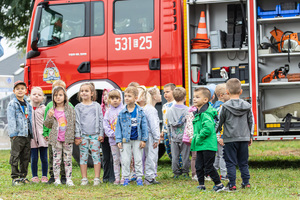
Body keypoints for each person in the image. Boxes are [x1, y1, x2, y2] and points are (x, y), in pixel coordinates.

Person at [216, 78, 253, 191]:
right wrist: (250, 135)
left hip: (229, 139)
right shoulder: (247, 106)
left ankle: (232, 184)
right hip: (243, 138)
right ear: (241, 91)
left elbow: (220, 121)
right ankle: (246, 183)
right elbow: (251, 121)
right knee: (243, 162)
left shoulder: (225, 107)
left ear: (227, 92)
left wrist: (217, 133)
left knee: (230, 162)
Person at [190, 87, 225, 192]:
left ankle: (219, 184)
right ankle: (201, 185)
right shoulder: (199, 112)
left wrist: (198, 137)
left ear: (205, 100)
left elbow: (208, 129)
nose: (194, 99)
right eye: (194, 97)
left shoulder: (206, 114)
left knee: (209, 166)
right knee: (199, 165)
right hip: (201, 144)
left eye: (197, 97)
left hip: (208, 145)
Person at [115, 86, 148, 186]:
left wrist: (144, 139)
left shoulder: (140, 112)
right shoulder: (122, 113)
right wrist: (119, 140)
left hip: (137, 139)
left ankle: (139, 177)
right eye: (125, 96)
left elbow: (144, 126)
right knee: (125, 160)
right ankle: (126, 178)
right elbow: (118, 128)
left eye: (129, 96)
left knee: (138, 159)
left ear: (135, 98)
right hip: (126, 140)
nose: (127, 98)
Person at [44, 86, 76, 186]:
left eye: (60, 95)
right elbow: (47, 124)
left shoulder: (70, 109)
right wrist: (49, 116)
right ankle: (57, 179)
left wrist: (76, 136)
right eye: (55, 95)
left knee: (67, 160)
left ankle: (69, 179)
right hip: (56, 140)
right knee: (56, 160)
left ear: (65, 96)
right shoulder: (52, 110)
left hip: (67, 139)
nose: (58, 97)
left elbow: (74, 123)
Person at [74, 83, 103, 186]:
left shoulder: (96, 106)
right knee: (83, 157)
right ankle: (84, 178)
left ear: (92, 93)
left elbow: (100, 120)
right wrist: (77, 136)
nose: (84, 93)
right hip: (83, 136)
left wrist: (101, 133)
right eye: (82, 91)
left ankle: (96, 178)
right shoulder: (78, 107)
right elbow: (76, 122)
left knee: (96, 156)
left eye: (86, 91)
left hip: (95, 135)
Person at [7, 81, 33, 186]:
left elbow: (30, 119)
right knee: (15, 156)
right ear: (14, 91)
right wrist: (13, 134)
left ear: (26, 91)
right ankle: (15, 177)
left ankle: (23, 176)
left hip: (26, 134)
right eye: (17, 89)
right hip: (17, 135)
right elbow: (11, 119)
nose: (20, 90)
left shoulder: (27, 104)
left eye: (22, 88)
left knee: (25, 157)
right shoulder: (12, 104)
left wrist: (31, 133)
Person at [166, 87, 189, 178]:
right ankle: (185, 172)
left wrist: (169, 136)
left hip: (174, 137)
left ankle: (176, 173)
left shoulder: (169, 110)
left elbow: (168, 125)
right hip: (185, 137)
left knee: (175, 156)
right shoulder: (187, 110)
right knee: (185, 156)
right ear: (185, 97)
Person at [103, 89, 124, 185]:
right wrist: (112, 134)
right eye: (112, 98)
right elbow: (106, 125)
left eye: (117, 98)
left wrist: (120, 135)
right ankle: (117, 178)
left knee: (124, 160)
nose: (115, 100)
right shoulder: (108, 112)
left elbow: (125, 124)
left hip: (123, 140)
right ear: (109, 100)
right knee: (115, 160)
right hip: (113, 141)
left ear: (120, 99)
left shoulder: (123, 110)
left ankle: (124, 177)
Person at [143, 86, 161, 185]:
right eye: (159, 93)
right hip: (151, 137)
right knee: (151, 156)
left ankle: (150, 176)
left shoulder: (147, 108)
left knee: (149, 156)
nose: (160, 95)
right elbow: (154, 125)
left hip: (147, 135)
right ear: (154, 97)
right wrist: (156, 138)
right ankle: (149, 178)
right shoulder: (151, 110)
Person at [30, 87, 48, 183]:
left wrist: (47, 134)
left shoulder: (44, 109)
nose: (36, 96)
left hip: (42, 137)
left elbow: (47, 123)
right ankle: (34, 176)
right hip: (32, 138)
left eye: (39, 95)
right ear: (30, 96)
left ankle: (44, 176)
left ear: (42, 98)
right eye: (34, 94)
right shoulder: (28, 109)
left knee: (44, 157)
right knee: (34, 158)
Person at [213, 83, 230, 181]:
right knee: (223, 155)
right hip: (220, 135)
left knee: (218, 155)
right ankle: (224, 175)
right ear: (221, 95)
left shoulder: (215, 106)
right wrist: (220, 136)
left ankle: (212, 172)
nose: (229, 94)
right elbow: (220, 123)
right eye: (227, 93)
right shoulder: (222, 107)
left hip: (216, 135)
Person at [99, 88, 115, 183]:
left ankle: (112, 177)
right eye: (104, 94)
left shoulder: (115, 109)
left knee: (113, 157)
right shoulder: (101, 109)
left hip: (113, 137)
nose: (105, 96)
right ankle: (105, 176)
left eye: (108, 94)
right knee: (105, 157)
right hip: (104, 137)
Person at [160, 83, 176, 160]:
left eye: (167, 92)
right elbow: (164, 119)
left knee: (175, 149)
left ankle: (180, 166)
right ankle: (173, 163)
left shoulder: (176, 104)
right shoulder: (165, 105)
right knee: (168, 149)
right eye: (164, 92)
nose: (165, 94)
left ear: (173, 92)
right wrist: (163, 130)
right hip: (166, 131)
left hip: (174, 131)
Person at [183, 105, 197, 181]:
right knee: (194, 156)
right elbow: (189, 126)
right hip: (194, 137)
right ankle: (194, 174)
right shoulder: (192, 113)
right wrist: (191, 136)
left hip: (201, 136)